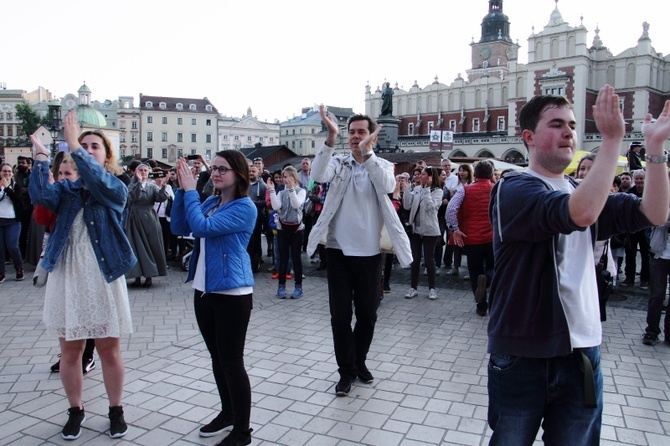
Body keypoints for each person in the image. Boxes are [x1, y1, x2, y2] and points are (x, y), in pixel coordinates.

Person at [486, 86, 670, 445]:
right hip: (523, 354)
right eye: (556, 124)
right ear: (529, 137)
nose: (569, 131)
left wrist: (654, 150)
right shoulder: (513, 188)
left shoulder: (579, 188)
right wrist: (613, 138)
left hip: (583, 351)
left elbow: (655, 212)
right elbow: (580, 213)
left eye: (571, 124)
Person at [29, 110, 137, 440]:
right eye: (83, 146)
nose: (87, 150)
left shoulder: (114, 187)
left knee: (109, 350)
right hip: (68, 274)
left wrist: (73, 143)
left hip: (103, 275)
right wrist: (41, 157)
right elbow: (40, 197)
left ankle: (115, 409)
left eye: (94, 147)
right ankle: (75, 410)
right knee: (70, 351)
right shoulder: (67, 190)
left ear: (106, 157)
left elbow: (100, 183)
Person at [307, 105, 411, 397]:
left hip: (368, 254)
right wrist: (330, 136)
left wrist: (367, 155)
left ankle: (359, 361)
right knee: (340, 317)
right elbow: (318, 174)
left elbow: (389, 185)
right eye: (351, 133)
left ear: (372, 136)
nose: (355, 137)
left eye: (361, 132)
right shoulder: (338, 163)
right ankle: (346, 371)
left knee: (367, 315)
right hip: (338, 252)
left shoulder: (382, 166)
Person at [170, 150, 255, 446]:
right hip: (205, 291)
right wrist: (183, 193)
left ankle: (242, 432)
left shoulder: (245, 207)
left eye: (223, 169)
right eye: (214, 168)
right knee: (217, 358)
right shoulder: (211, 201)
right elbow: (179, 227)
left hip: (232, 293)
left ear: (239, 174)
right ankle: (228, 413)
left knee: (232, 361)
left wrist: (191, 191)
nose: (216, 173)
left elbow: (202, 227)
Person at [33, 152, 97, 376]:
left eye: (67, 173)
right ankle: (68, 354)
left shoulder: (86, 195)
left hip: (83, 257)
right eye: (59, 173)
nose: (62, 177)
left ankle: (87, 356)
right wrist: (48, 190)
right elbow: (41, 219)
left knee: (87, 310)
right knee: (67, 309)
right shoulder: (57, 192)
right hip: (60, 254)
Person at [447, 160, 495, 316]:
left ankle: (481, 305)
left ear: (475, 174)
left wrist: (455, 229)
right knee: (494, 267)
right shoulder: (497, 189)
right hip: (492, 237)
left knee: (474, 271)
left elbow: (451, 209)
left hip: (472, 238)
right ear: (491, 174)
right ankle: (488, 279)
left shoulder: (465, 190)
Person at [124, 163, 169, 288]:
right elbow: (132, 198)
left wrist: (163, 185)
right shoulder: (131, 185)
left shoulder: (152, 186)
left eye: (145, 170)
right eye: (141, 170)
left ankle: (149, 276)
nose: (143, 172)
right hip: (135, 218)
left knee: (151, 245)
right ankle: (137, 276)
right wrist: (138, 183)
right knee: (135, 246)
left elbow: (160, 198)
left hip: (149, 218)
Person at [402, 166, 443, 300]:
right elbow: (407, 206)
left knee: (429, 260)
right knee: (415, 259)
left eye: (423, 174)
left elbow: (431, 207)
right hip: (415, 229)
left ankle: (432, 288)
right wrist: (407, 189)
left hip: (430, 230)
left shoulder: (438, 191)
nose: (420, 176)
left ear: (431, 177)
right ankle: (413, 287)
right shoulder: (417, 189)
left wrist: (426, 190)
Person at [269, 166, 306, 299]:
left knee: (296, 258)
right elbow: (276, 207)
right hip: (283, 228)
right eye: (284, 177)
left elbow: (296, 204)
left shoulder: (301, 191)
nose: (285, 179)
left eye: (288, 176)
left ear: (294, 177)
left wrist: (291, 189)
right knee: (283, 258)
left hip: (297, 229)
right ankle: (281, 286)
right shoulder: (281, 192)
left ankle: (298, 286)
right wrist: (272, 191)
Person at [642, 186, 670, 346]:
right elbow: (657, 219)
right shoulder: (662, 196)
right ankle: (651, 332)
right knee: (656, 296)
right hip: (660, 253)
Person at [620, 169, 651, 289]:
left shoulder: (649, 192)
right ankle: (629, 278)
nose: (639, 181)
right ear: (634, 180)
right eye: (637, 179)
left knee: (645, 254)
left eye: (641, 178)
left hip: (646, 228)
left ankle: (645, 279)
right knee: (630, 253)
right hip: (632, 228)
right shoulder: (630, 192)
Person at [0, 163, 24, 282]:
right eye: (4, 171)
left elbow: (18, 200)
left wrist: (7, 188)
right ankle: (1, 272)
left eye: (9, 171)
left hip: (13, 221)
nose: (7, 173)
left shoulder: (16, 186)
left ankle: (19, 268)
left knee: (12, 246)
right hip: (0, 220)